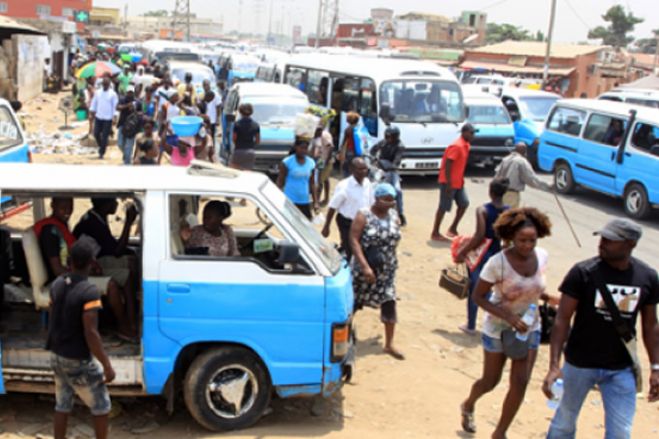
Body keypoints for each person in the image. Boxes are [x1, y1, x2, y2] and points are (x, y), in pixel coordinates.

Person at [544, 218, 659, 439]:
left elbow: (651, 325)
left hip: (621, 367)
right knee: (563, 425)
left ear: (630, 244)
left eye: (610, 240)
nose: (602, 243)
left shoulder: (647, 277)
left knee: (620, 432)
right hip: (579, 364)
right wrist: (553, 366)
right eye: (602, 238)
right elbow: (562, 319)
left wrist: (656, 367)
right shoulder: (583, 272)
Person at [461, 207, 554, 438]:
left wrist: (551, 298)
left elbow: (534, 288)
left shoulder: (542, 256)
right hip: (498, 328)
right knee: (490, 381)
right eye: (522, 240)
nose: (527, 245)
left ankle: (500, 432)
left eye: (532, 240)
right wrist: (509, 317)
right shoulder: (497, 263)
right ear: (511, 238)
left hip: (529, 328)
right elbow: (478, 296)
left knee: (521, 382)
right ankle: (469, 403)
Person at [34, 198, 135, 341]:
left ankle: (128, 322)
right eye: (63, 207)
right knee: (111, 285)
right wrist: (85, 272)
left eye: (70, 207)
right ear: (52, 206)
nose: (67, 211)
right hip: (62, 280)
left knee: (124, 274)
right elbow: (57, 270)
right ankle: (123, 327)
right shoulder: (50, 231)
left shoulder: (60, 226)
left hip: (75, 271)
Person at [47, 240, 114, 439]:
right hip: (77, 359)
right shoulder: (89, 291)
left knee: (62, 404)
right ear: (92, 262)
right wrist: (107, 366)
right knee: (101, 406)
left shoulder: (57, 284)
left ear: (70, 261)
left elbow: (52, 318)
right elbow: (91, 333)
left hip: (57, 354)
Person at [350, 183, 404, 360]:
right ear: (377, 198)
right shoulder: (363, 215)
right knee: (353, 304)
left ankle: (389, 344)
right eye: (386, 200)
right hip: (364, 270)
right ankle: (343, 336)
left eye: (392, 200)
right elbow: (354, 240)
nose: (390, 204)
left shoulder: (394, 215)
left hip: (386, 270)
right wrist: (365, 266)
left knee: (389, 301)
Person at [73, 198, 139, 337]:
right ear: (105, 204)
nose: (116, 203)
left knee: (131, 261)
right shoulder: (92, 223)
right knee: (126, 275)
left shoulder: (97, 217)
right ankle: (128, 323)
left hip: (95, 260)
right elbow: (117, 251)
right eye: (113, 200)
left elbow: (111, 248)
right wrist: (128, 222)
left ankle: (134, 315)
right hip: (86, 267)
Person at [455, 178, 511, 335]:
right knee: (494, 289)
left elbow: (479, 235)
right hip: (498, 251)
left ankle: (471, 325)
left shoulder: (483, 210)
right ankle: (497, 322)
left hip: (483, 253)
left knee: (476, 287)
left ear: (490, 192)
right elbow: (508, 237)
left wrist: (463, 251)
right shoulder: (508, 211)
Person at [430, 123, 475, 241]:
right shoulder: (457, 146)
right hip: (449, 182)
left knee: (464, 203)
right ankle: (435, 232)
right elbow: (449, 163)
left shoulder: (466, 145)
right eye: (471, 133)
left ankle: (453, 228)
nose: (473, 135)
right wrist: (449, 183)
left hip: (458, 182)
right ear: (464, 132)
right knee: (443, 207)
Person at [322, 158, 373, 260]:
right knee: (349, 249)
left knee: (363, 248)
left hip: (364, 222)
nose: (363, 172)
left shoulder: (368, 183)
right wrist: (326, 226)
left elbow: (371, 203)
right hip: (347, 222)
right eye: (360, 169)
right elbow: (333, 207)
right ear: (352, 170)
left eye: (365, 169)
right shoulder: (344, 186)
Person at [495, 142, 552, 208]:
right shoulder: (521, 162)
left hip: (499, 193)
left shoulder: (505, 159)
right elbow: (531, 179)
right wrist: (547, 185)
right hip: (511, 195)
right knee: (510, 216)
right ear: (525, 152)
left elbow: (496, 176)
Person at [370, 125, 406, 226]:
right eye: (387, 136)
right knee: (372, 187)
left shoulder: (400, 146)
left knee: (397, 191)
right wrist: (373, 158)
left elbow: (396, 162)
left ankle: (401, 214)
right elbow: (373, 150)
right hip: (379, 170)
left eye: (390, 136)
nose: (388, 138)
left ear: (396, 136)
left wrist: (388, 166)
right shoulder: (383, 142)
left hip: (391, 171)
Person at [277, 138, 318, 219]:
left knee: (306, 226)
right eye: (301, 148)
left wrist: (315, 202)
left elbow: (312, 183)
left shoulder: (311, 163)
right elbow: (280, 181)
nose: (303, 150)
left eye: (305, 148)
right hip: (290, 200)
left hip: (304, 200)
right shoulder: (287, 162)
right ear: (296, 147)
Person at [89, 76, 118, 160]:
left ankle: (101, 152)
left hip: (108, 118)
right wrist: (91, 113)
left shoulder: (113, 94)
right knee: (96, 133)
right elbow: (94, 103)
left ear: (109, 85)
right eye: (104, 84)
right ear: (102, 84)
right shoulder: (98, 92)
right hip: (98, 116)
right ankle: (102, 145)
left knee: (105, 136)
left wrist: (114, 117)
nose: (105, 86)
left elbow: (114, 106)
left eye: (107, 84)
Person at [310, 122, 334, 206]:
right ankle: (323, 198)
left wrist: (327, 161)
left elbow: (330, 147)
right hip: (319, 160)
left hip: (325, 161)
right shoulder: (316, 136)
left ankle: (317, 201)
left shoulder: (325, 135)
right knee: (324, 179)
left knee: (320, 180)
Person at [116, 86, 142, 165]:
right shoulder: (122, 100)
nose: (130, 94)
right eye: (128, 92)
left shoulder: (137, 102)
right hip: (122, 124)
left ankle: (127, 162)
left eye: (131, 92)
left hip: (132, 126)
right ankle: (127, 155)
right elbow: (118, 107)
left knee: (129, 145)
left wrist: (134, 110)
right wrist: (127, 106)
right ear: (126, 93)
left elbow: (141, 112)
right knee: (120, 143)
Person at [230, 103, 260, 170]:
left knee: (234, 170)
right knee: (248, 172)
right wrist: (251, 145)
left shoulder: (237, 124)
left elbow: (234, 138)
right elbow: (258, 140)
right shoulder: (256, 125)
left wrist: (238, 144)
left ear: (240, 112)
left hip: (239, 150)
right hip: (250, 151)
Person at [338, 112, 361, 177]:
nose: (346, 118)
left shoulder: (348, 129)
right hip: (359, 151)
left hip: (350, 151)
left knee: (346, 168)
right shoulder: (359, 128)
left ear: (350, 119)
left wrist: (340, 152)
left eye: (347, 117)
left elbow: (343, 142)